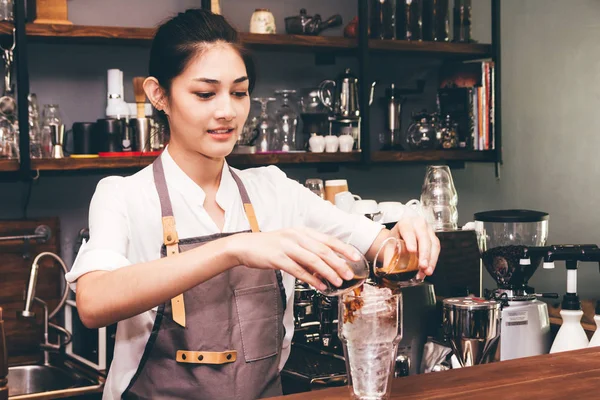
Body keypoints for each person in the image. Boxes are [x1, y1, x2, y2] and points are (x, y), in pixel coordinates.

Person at [66, 9, 440, 400]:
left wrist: (410, 237)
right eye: (205, 94)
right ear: (159, 94)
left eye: (239, 92)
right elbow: (94, 303)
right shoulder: (123, 195)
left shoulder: (275, 191)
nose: (227, 111)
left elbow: (387, 252)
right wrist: (233, 248)